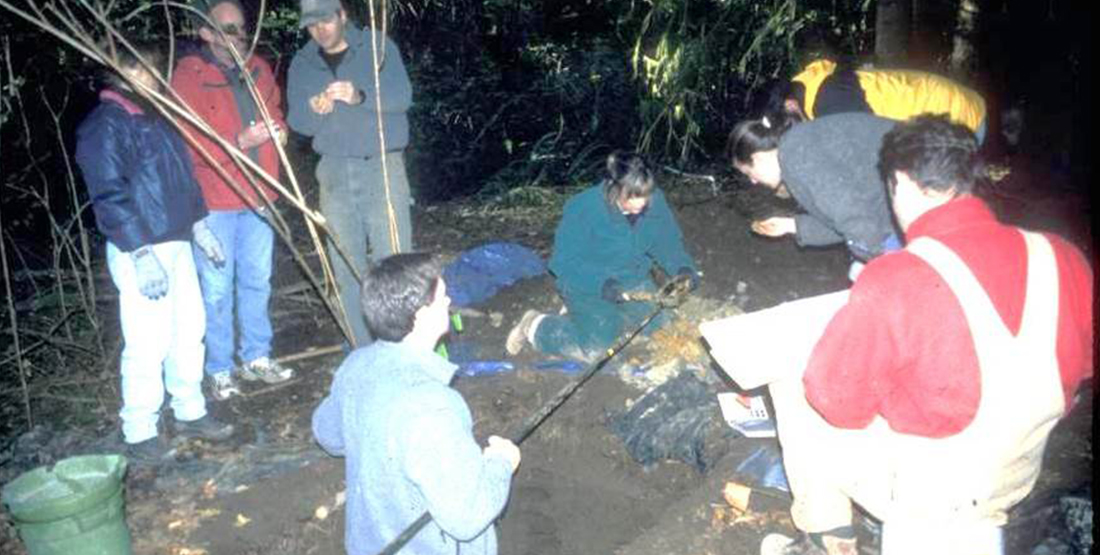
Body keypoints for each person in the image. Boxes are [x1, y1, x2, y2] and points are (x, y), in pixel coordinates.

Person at [758, 115, 1093, 555]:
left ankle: (826, 538)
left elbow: (836, 404)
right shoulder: (1062, 254)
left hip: (931, 491)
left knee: (791, 383)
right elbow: (1080, 370)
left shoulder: (897, 275)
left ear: (901, 182)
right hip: (1015, 473)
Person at [74, 41, 235, 461]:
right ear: (118, 70)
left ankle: (190, 409)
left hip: (177, 242)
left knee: (189, 330)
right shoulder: (106, 123)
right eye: (140, 68)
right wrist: (139, 252)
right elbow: (108, 193)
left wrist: (200, 226)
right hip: (142, 250)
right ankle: (140, 431)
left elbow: (182, 178)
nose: (151, 74)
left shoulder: (155, 116)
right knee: (147, 340)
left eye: (152, 67)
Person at [312, 253, 521, 555]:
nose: (449, 302)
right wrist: (501, 463)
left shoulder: (357, 365)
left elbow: (327, 434)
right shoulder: (432, 405)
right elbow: (468, 516)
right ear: (422, 315)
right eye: (442, 298)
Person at [172, 0, 293, 401]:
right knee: (218, 290)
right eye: (228, 28)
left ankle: (256, 356)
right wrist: (239, 144)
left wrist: (280, 133)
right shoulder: (189, 76)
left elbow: (275, 112)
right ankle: (220, 368)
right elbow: (187, 144)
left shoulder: (258, 68)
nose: (239, 35)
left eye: (241, 27)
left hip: (261, 194)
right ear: (205, 33)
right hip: (216, 202)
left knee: (258, 280)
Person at [287, 0, 414, 348]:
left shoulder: (376, 46)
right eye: (312, 25)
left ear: (342, 15)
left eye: (326, 20)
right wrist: (315, 110)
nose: (320, 30)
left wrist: (360, 95)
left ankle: (405, 349)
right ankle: (362, 351)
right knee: (345, 264)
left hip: (382, 166)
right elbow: (298, 122)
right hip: (334, 172)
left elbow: (402, 96)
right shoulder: (303, 62)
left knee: (396, 262)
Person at [505, 152, 699, 361]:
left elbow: (667, 242)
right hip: (588, 284)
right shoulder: (584, 208)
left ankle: (588, 317)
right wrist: (603, 285)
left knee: (665, 331)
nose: (641, 203)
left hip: (632, 280)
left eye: (646, 195)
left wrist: (684, 269)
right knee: (597, 349)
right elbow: (563, 263)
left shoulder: (653, 199)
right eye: (632, 196)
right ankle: (536, 325)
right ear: (613, 188)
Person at [728, 110, 901, 280]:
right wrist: (792, 226)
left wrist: (885, 267)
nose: (753, 181)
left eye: (749, 173)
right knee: (860, 271)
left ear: (758, 158)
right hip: (899, 197)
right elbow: (842, 222)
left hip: (920, 179)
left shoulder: (795, 155)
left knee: (872, 276)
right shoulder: (797, 149)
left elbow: (855, 218)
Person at [774, 58, 988, 143]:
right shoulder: (812, 88)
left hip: (957, 116)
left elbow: (872, 150)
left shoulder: (829, 103)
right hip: (953, 103)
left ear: (790, 104)